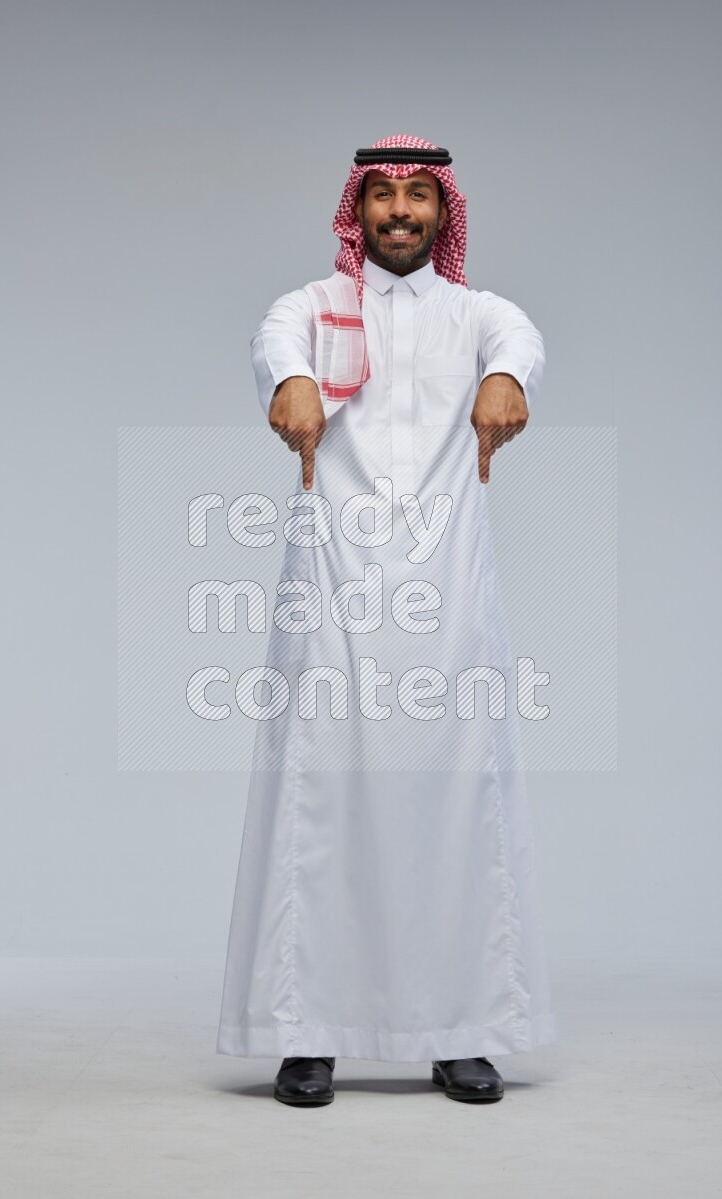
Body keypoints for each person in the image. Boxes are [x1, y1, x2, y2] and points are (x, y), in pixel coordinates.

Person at [217, 134, 558, 1106]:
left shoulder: (478, 314)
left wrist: (506, 380)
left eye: (418, 194)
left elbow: (521, 345)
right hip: (333, 589)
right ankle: (306, 1033)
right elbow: (274, 344)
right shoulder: (311, 307)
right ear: (357, 210)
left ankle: (461, 1031)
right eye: (382, 194)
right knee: (319, 802)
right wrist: (290, 382)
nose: (400, 210)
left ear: (442, 212)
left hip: (446, 597)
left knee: (456, 805)